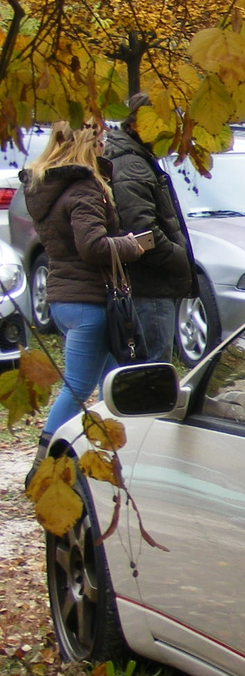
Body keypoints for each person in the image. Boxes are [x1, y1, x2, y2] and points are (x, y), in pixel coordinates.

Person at [21, 125, 153, 455]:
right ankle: (45, 458)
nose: (105, 143)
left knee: (113, 377)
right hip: (89, 301)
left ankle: (123, 449)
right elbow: (92, 247)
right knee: (79, 386)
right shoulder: (83, 188)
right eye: (99, 138)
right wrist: (132, 245)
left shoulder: (48, 186)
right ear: (87, 142)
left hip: (65, 299)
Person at [102, 93, 196, 360]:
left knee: (139, 368)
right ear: (135, 125)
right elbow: (141, 231)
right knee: (152, 369)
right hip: (149, 286)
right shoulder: (132, 164)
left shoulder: (134, 158)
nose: (164, 132)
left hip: (147, 285)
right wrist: (176, 257)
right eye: (157, 123)